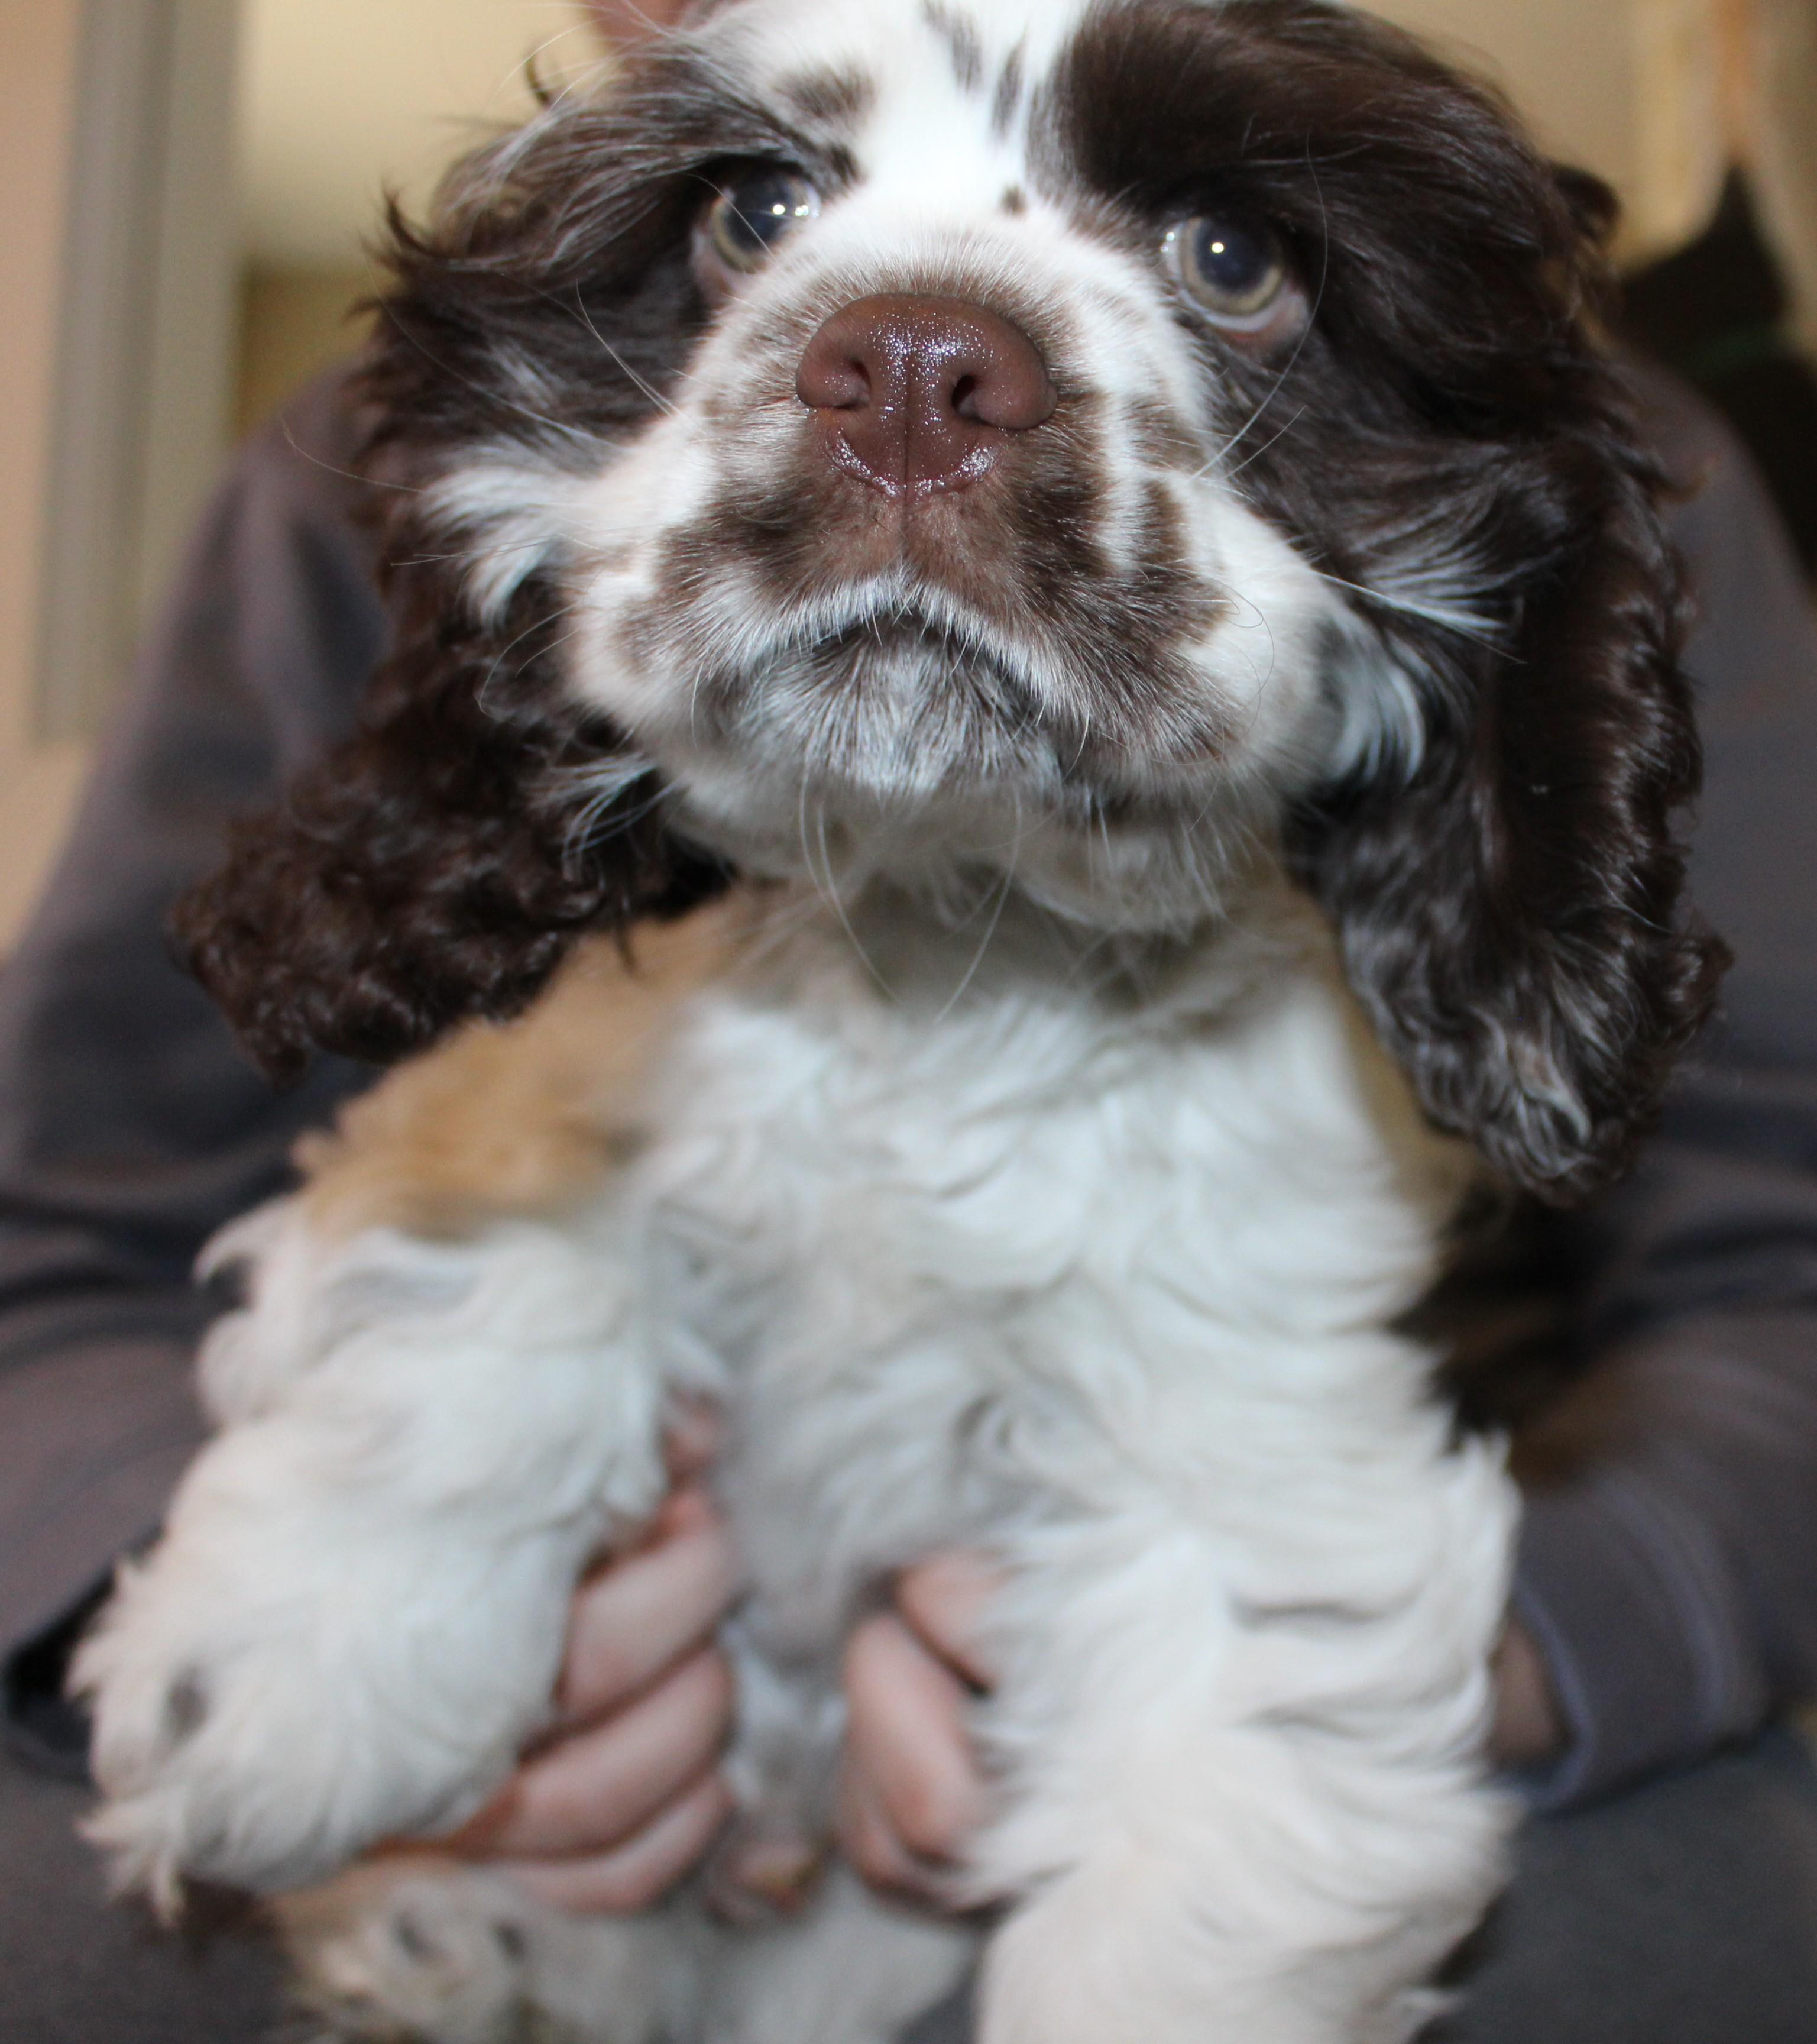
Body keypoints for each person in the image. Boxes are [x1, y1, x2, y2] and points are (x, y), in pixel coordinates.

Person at [4, 29, 1817, 2044]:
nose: (916, 368)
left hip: (1296, 1645)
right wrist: (348, 1510)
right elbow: (48, 1219)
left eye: (1222, 257)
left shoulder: (1586, 457)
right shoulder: (386, 460)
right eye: (761, 210)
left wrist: (1498, 1649)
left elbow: (1780, 1251)